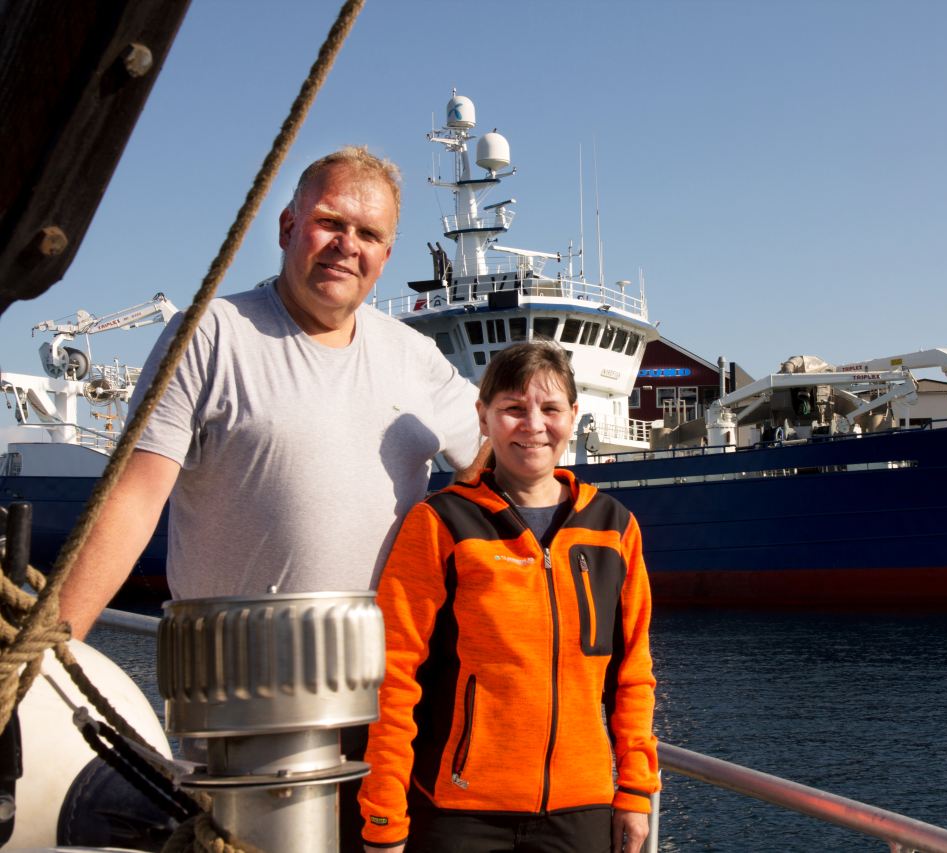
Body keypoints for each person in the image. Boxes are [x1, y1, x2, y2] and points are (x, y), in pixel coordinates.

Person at [57, 145, 481, 636]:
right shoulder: (208, 334)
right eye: (330, 222)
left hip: (386, 691)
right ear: (287, 228)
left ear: (384, 257)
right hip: (232, 685)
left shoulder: (416, 357)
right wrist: (50, 648)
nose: (348, 245)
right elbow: (132, 500)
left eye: (369, 234)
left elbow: (493, 460)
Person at [358, 342, 659, 853]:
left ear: (573, 416)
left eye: (550, 409)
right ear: (484, 417)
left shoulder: (614, 528)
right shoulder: (441, 524)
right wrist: (384, 811)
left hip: (580, 808)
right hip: (462, 814)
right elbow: (393, 673)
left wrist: (634, 788)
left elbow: (632, 673)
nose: (534, 425)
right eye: (513, 409)